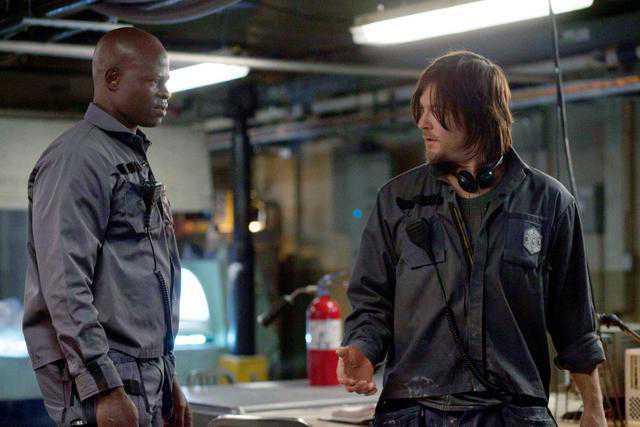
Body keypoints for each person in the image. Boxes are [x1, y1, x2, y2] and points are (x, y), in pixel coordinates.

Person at [337, 51, 606, 426]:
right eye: (421, 110)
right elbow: (372, 301)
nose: (422, 122)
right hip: (415, 414)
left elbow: (574, 320)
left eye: (436, 111)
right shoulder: (398, 200)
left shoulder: (549, 203)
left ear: (478, 112)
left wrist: (594, 409)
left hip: (512, 415)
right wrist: (363, 349)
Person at [23, 27, 191, 427]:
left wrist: (168, 375)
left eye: (167, 82)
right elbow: (65, 285)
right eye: (154, 81)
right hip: (110, 376)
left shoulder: (127, 156)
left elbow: (145, 281)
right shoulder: (78, 159)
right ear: (113, 79)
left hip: (147, 374)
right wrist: (103, 390)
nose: (166, 93)